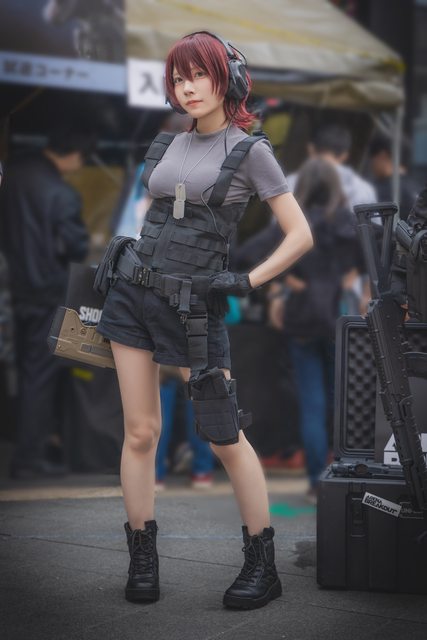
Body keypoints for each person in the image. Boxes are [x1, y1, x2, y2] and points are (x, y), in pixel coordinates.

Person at [95, 31, 312, 610]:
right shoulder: (167, 141)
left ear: (227, 78)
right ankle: (143, 558)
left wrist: (247, 281)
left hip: (195, 309)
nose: (187, 87)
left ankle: (262, 564)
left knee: (223, 433)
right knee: (140, 432)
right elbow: (155, 218)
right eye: (178, 78)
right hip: (132, 297)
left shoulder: (251, 150)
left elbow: (300, 234)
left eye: (198, 75)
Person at [0, 128, 90, 478]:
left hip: (14, 288)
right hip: (48, 291)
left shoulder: (14, 175)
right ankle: (28, 458)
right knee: (40, 375)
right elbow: (76, 246)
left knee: (24, 371)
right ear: (73, 154)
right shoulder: (61, 193)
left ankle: (26, 445)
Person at [269, 158, 359, 502]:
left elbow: (258, 255)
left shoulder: (294, 221)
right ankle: (345, 476)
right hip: (341, 317)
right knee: (346, 399)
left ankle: (315, 483)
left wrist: (286, 285)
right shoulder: (347, 220)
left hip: (303, 317)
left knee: (311, 403)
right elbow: (365, 263)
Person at [369, 134, 419, 221]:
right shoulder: (417, 189)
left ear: (382, 156)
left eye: (372, 158)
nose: (371, 164)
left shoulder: (377, 190)